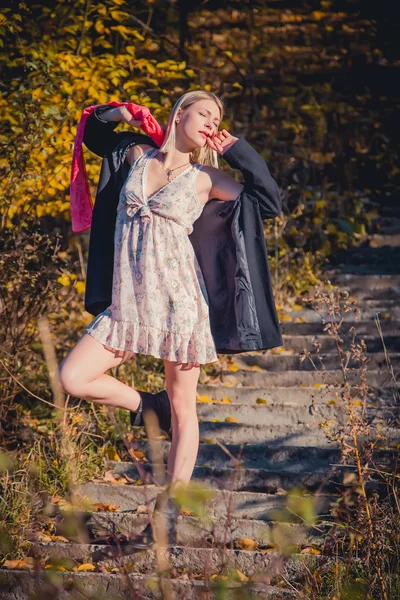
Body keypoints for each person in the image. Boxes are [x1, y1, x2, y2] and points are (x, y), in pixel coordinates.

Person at [58, 90, 247, 548]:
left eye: (216, 118)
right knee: (72, 377)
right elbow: (96, 132)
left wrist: (237, 151)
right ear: (180, 113)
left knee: (186, 406)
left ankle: (170, 509)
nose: (210, 122)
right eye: (204, 113)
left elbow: (266, 201)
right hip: (128, 301)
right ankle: (147, 406)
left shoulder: (206, 177)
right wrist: (129, 114)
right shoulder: (138, 155)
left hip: (180, 300)